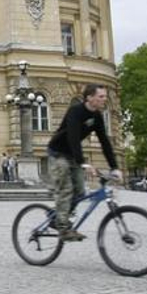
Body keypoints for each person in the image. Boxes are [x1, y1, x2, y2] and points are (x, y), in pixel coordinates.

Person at [46, 84, 121, 241]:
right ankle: (63, 227)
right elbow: (73, 137)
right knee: (66, 189)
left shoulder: (97, 117)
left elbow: (105, 142)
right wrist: (83, 162)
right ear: (90, 97)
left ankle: (58, 217)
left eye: (105, 96)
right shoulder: (76, 111)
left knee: (80, 191)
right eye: (101, 96)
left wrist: (114, 167)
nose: (104, 99)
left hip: (73, 155)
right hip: (58, 152)